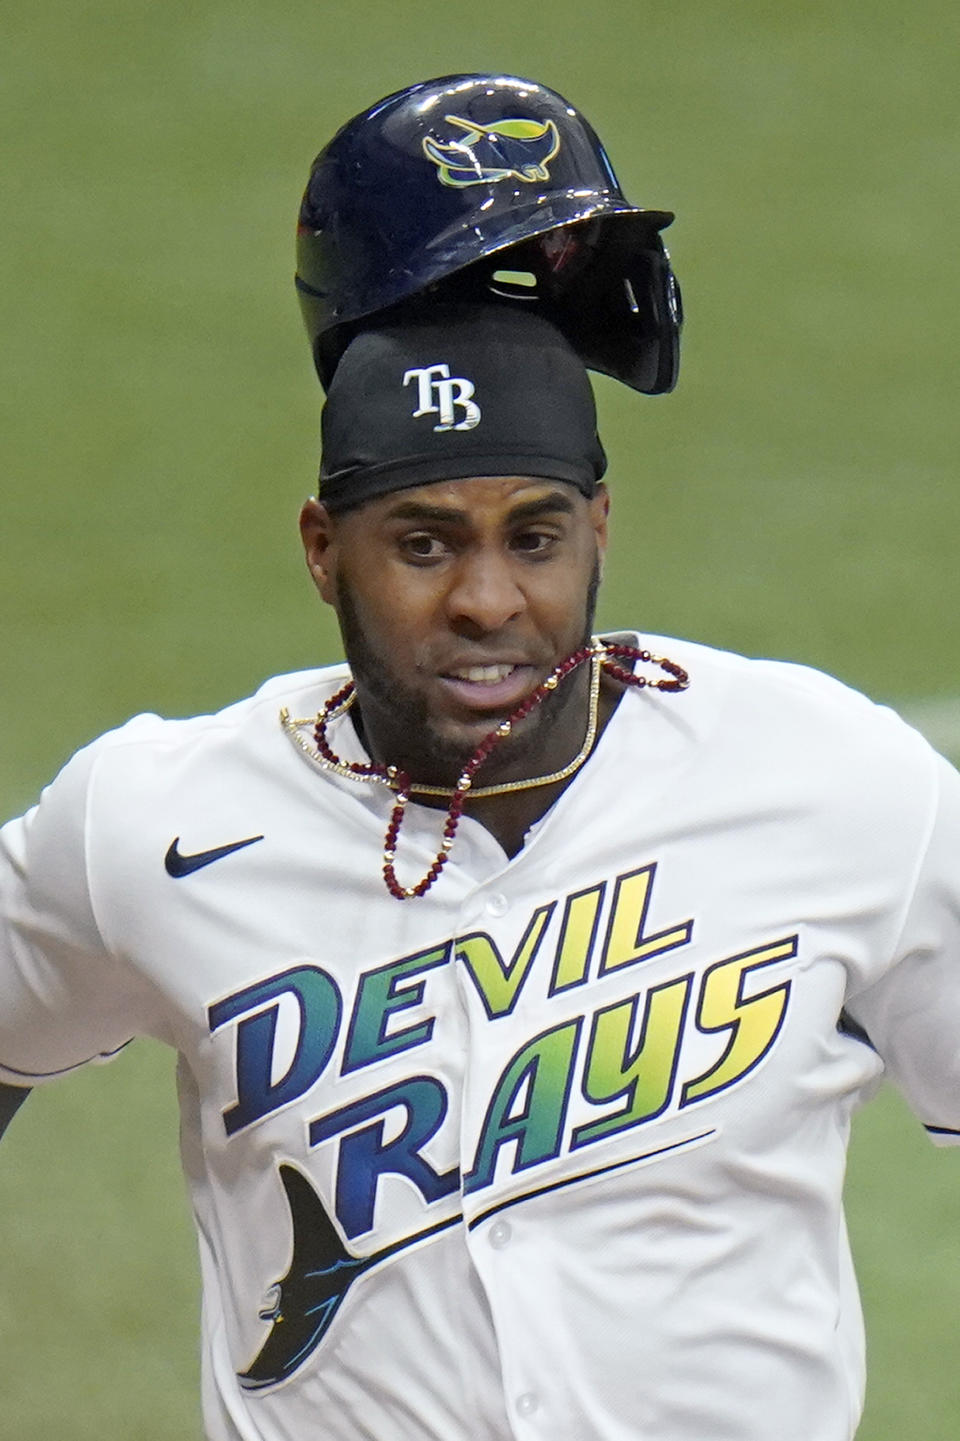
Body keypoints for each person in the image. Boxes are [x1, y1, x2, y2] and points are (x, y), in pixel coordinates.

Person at [2, 297, 960, 1441]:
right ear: (322, 549)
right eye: (424, 543)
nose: (489, 602)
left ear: (600, 529)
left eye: (536, 537)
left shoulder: (832, 783)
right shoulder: (154, 823)